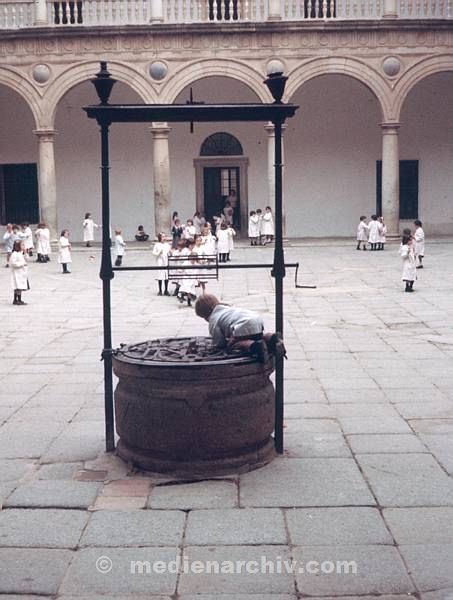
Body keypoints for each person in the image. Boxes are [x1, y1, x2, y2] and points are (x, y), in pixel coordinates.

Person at [194, 294, 286, 363]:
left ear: (206, 314)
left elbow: (219, 341)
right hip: (256, 319)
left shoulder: (213, 319)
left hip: (243, 325)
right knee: (259, 336)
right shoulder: (226, 309)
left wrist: (222, 344)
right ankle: (273, 338)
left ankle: (256, 346)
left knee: (235, 343)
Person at [10, 239, 29, 305]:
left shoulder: (21, 253)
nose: (24, 246)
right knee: (18, 286)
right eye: (22, 245)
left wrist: (25, 253)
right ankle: (16, 299)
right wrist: (22, 264)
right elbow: (13, 263)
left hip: (22, 273)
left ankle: (18, 299)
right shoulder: (14, 254)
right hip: (17, 273)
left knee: (20, 286)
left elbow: (27, 259)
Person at [400, 228, 416, 293]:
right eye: (410, 240)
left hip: (412, 263)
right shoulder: (404, 247)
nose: (411, 241)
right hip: (407, 264)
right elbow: (403, 256)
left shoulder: (410, 247)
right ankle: (407, 286)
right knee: (408, 276)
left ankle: (411, 286)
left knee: (413, 275)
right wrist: (407, 252)